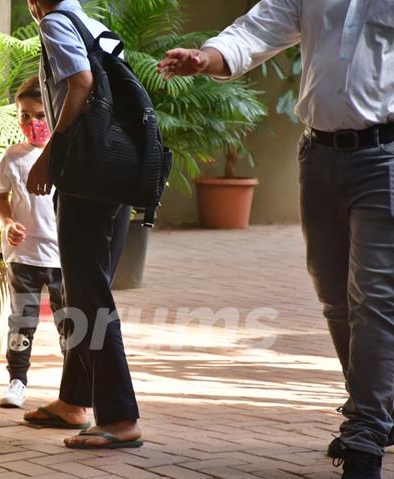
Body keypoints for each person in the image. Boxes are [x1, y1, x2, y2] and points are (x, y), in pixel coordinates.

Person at [158, 1, 394, 478]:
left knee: (375, 297)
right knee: (333, 295)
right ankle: (379, 409)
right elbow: (257, 29)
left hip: (386, 157)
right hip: (319, 155)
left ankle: (365, 431)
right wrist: (207, 57)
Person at [23, 0, 143, 450]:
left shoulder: (56, 22)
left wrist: (50, 155)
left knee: (89, 294)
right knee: (85, 287)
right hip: (116, 170)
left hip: (87, 174)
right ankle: (74, 401)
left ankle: (120, 417)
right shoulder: (91, 22)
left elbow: (82, 82)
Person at [0, 76, 65, 409]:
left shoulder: (66, 155)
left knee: (72, 323)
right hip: (24, 257)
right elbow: (1, 197)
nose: (31, 123)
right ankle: (17, 381)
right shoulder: (14, 156)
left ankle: (74, 388)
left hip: (64, 258)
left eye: (39, 115)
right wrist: (7, 223)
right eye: (24, 115)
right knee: (22, 322)